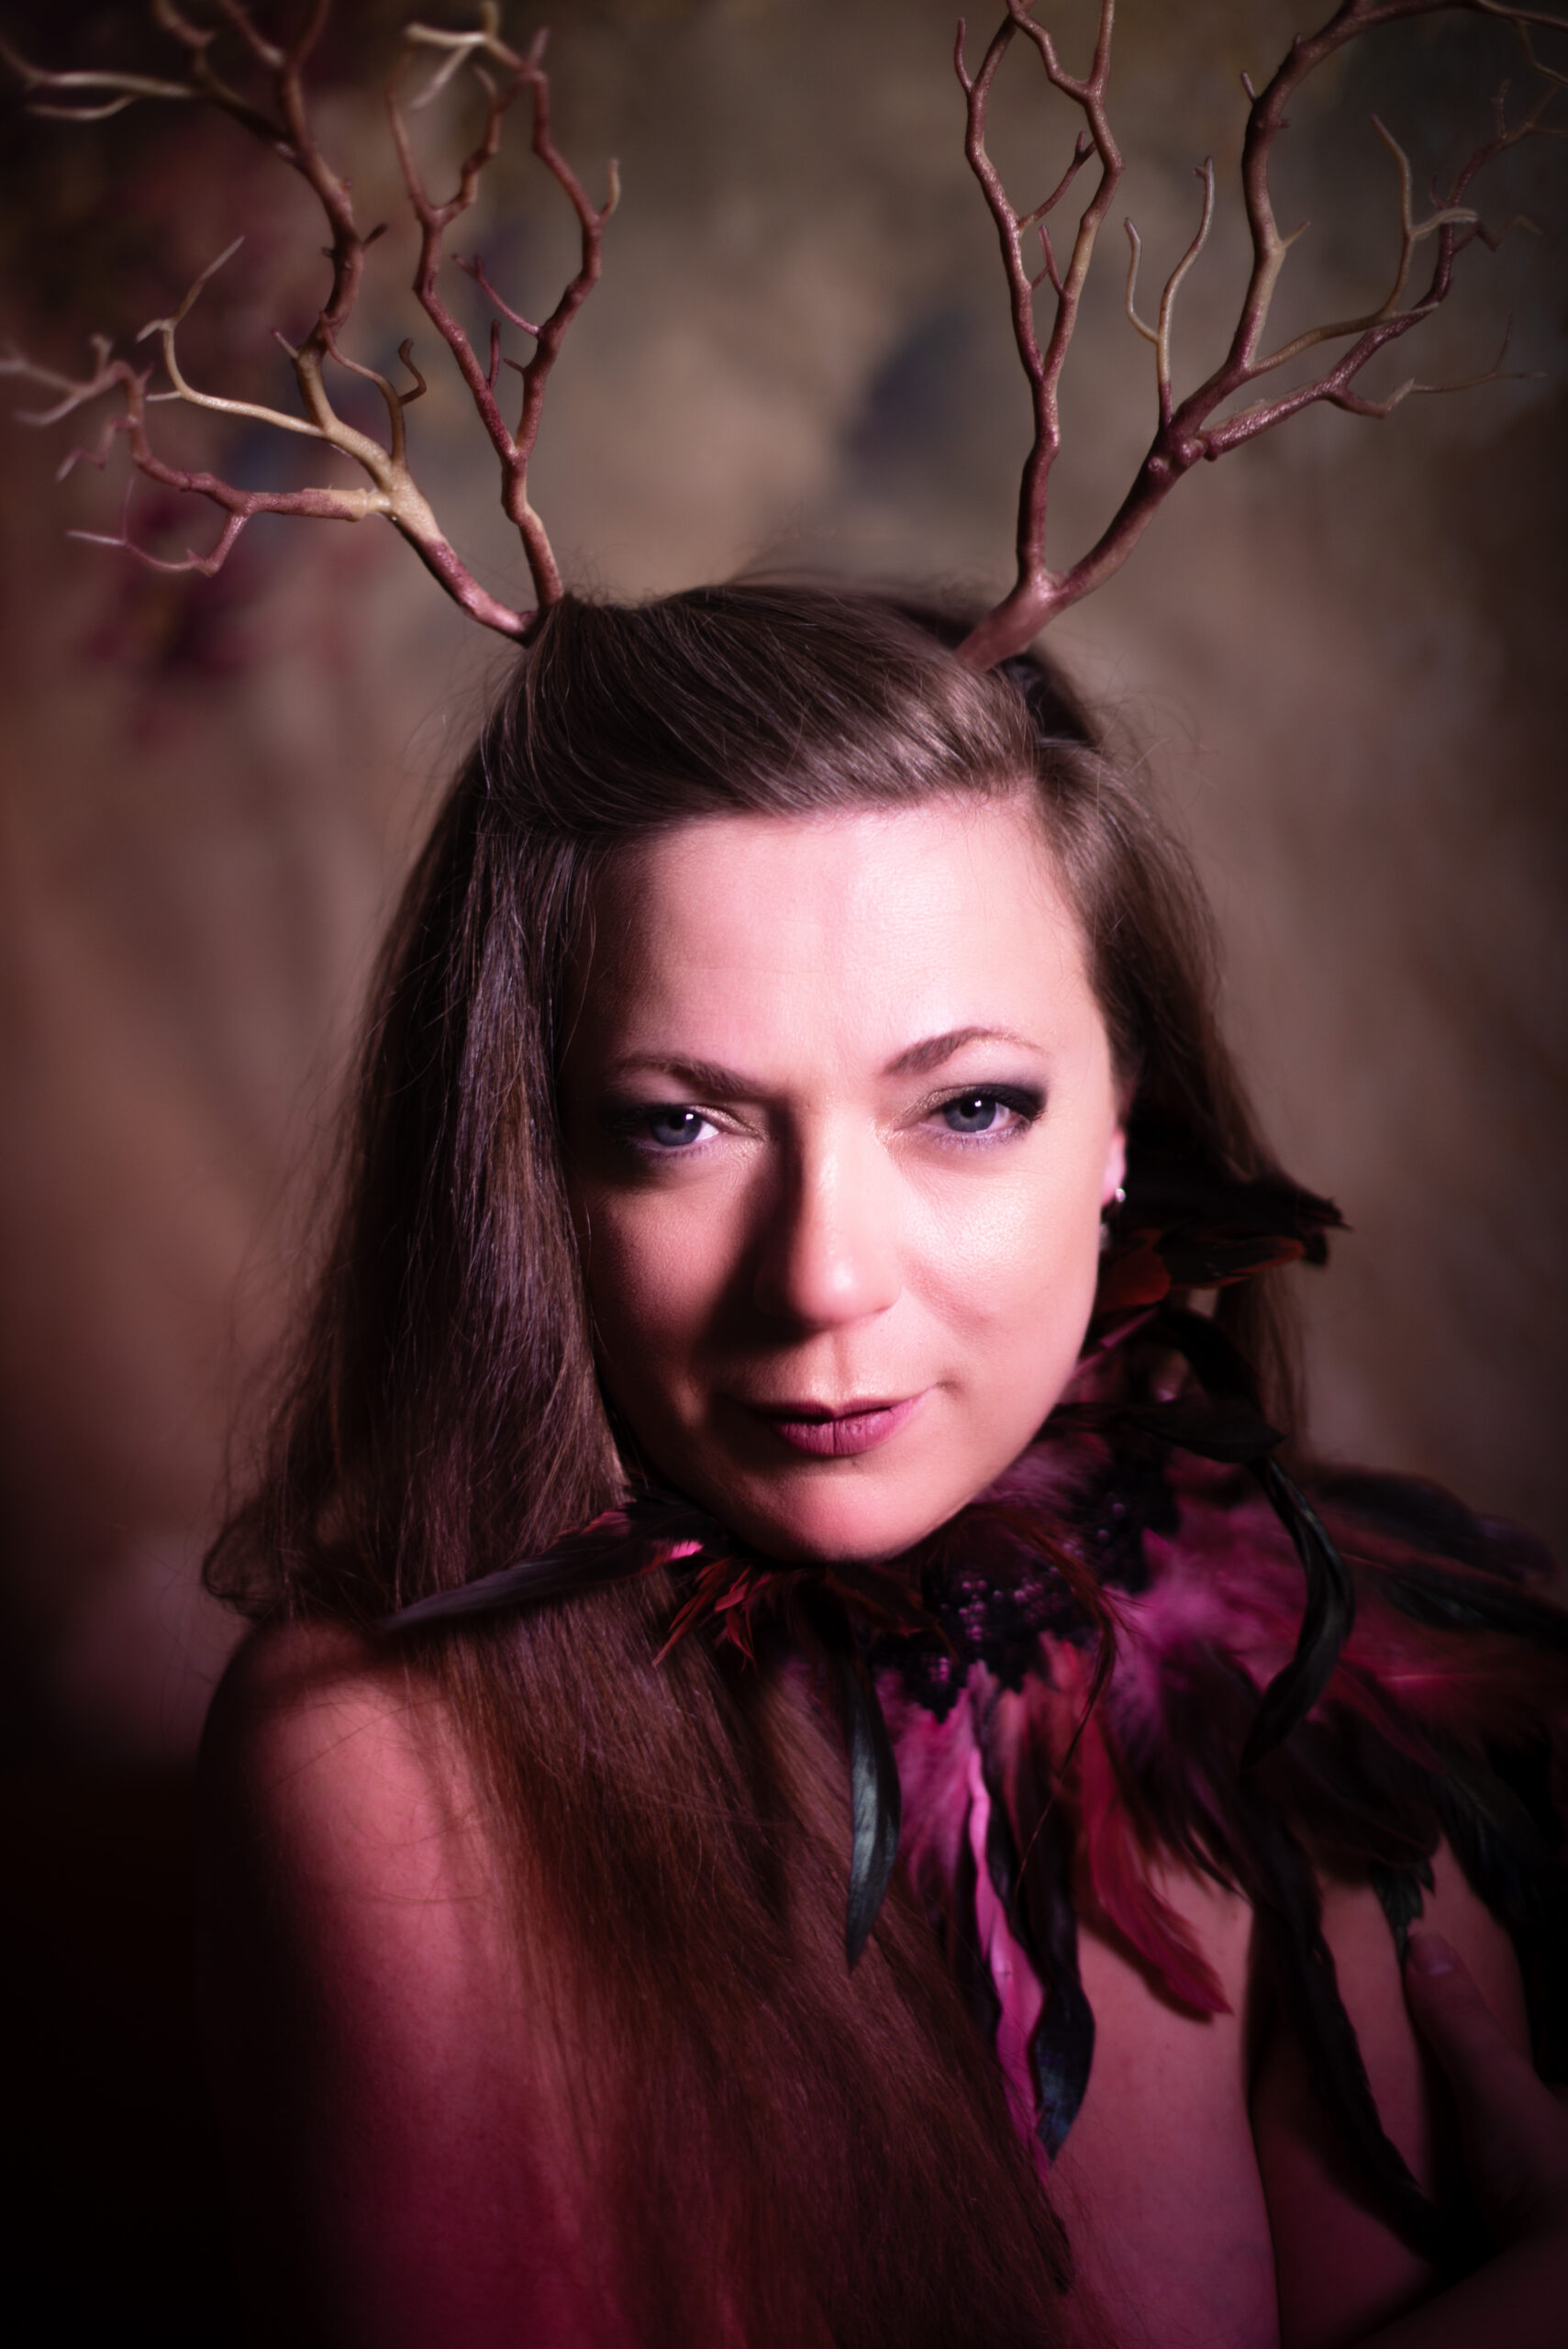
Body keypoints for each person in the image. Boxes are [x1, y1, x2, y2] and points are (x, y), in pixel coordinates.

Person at [198, 583, 1568, 2348]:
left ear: (1119, 1128)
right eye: (679, 1123)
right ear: (527, 1161)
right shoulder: (384, 1757)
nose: (826, 1277)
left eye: (969, 1106)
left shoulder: (1280, 1678)